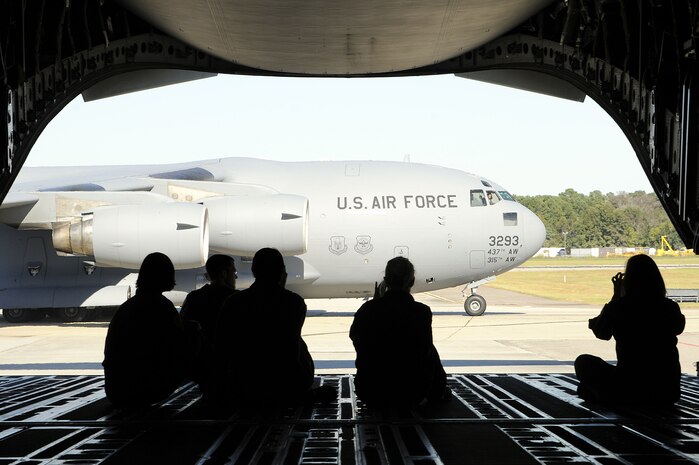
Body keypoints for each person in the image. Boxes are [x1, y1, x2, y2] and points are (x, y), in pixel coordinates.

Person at [575, 254, 686, 405]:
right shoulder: (670, 306)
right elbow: (678, 328)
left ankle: (610, 396)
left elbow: (602, 333)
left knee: (583, 362)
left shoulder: (620, 306)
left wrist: (616, 296)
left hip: (629, 385)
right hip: (667, 391)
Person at [214, 248, 315, 408]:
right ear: (282, 272)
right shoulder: (294, 302)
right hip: (286, 384)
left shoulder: (234, 302)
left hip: (244, 385)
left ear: (254, 271)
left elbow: (222, 343)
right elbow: (289, 345)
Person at [350, 256, 449, 408]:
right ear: (411, 281)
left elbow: (356, 338)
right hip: (412, 394)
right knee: (429, 348)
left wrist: (374, 305)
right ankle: (437, 392)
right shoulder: (421, 312)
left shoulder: (368, 310)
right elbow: (424, 350)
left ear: (386, 280)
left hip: (371, 393)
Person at [103, 252, 189, 408]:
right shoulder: (163, 307)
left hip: (117, 390)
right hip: (147, 389)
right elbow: (178, 346)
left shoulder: (127, 307)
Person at [181, 254, 238, 395]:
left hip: (201, 368)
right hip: (230, 368)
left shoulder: (193, 298)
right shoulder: (236, 300)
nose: (235, 277)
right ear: (223, 274)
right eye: (233, 272)